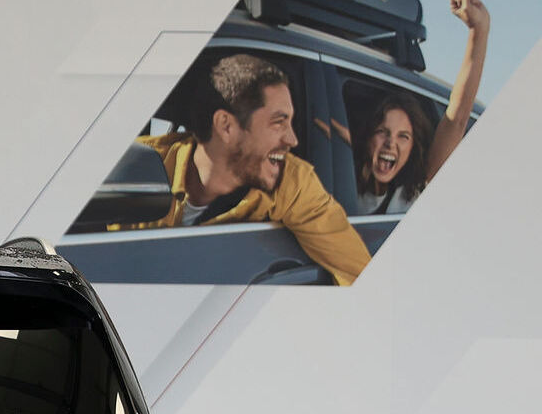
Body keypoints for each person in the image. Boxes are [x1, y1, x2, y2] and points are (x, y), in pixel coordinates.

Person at [135, 54, 370, 286]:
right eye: (279, 122)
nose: (292, 139)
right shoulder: (136, 164)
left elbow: (362, 279)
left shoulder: (291, 182)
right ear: (226, 126)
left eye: (290, 122)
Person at [351, 0, 490, 215]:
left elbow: (457, 119)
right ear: (368, 137)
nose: (390, 144)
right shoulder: (343, 183)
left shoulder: (411, 196)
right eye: (382, 131)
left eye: (403, 136)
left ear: (413, 148)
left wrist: (478, 30)